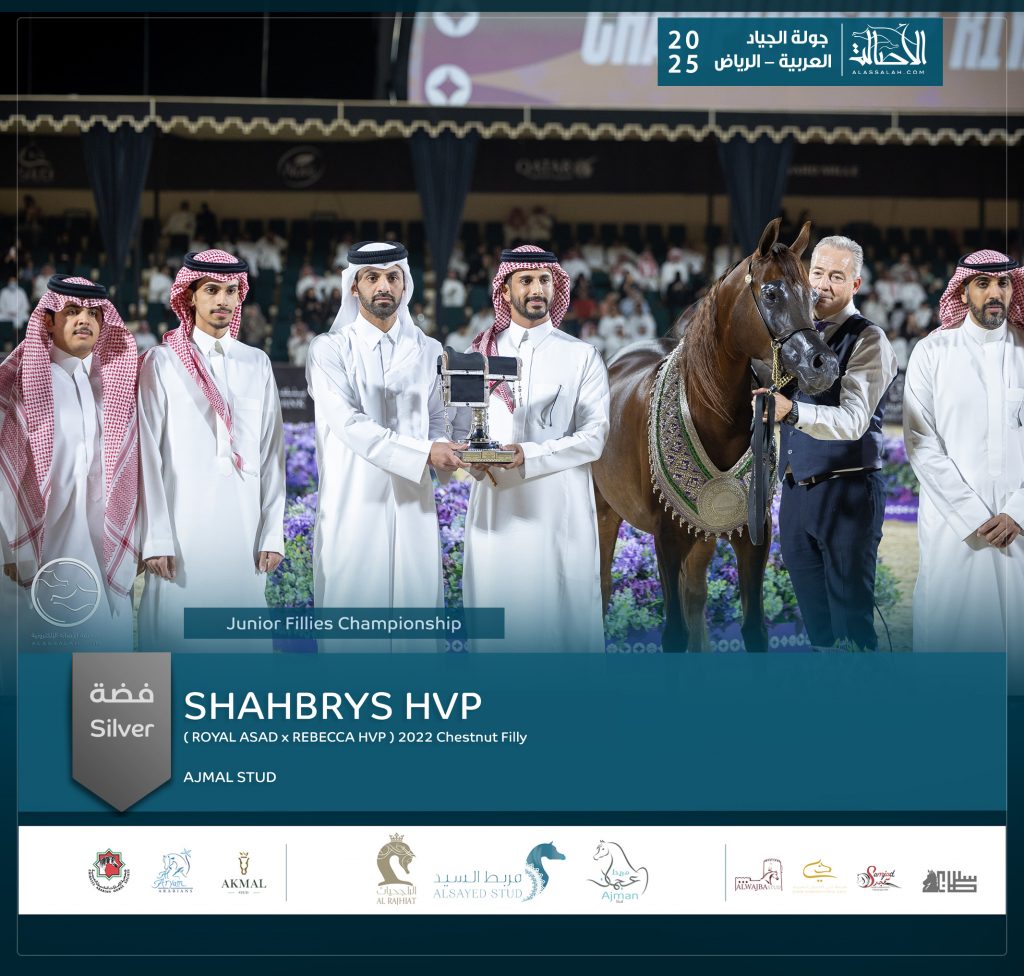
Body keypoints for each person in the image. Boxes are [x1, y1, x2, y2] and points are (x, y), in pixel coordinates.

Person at [305, 241, 465, 653]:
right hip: (353, 504)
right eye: (372, 277)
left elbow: (438, 419)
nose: (383, 286)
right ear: (353, 286)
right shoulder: (330, 349)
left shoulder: (430, 350)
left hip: (414, 503)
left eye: (393, 277)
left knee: (416, 625)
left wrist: (450, 449)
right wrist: (425, 453)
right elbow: (349, 424)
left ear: (404, 285)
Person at [457, 245, 610, 652]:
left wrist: (530, 455)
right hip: (495, 508)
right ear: (505, 290)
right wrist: (471, 462)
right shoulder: (478, 354)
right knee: (498, 623)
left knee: (561, 624)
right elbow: (463, 431)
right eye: (525, 280)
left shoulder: (581, 356)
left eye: (544, 280)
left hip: (559, 513)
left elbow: (595, 437)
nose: (536, 289)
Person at [137, 250, 285, 653]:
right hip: (181, 533)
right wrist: (156, 537)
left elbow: (272, 454)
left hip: (244, 532)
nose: (222, 300)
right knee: (177, 642)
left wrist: (272, 532)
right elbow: (147, 456)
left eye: (231, 291)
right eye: (211, 290)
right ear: (190, 296)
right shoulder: (161, 362)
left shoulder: (256, 363)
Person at [759, 235, 897, 650]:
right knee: (818, 629)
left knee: (851, 628)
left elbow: (854, 420)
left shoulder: (869, 339)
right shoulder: (791, 337)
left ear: (855, 284)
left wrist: (791, 412)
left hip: (848, 492)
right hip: (796, 494)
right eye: (817, 273)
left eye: (837, 276)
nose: (823, 284)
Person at [0, 275, 140, 653]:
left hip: (97, 543)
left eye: (94, 313)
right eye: (73, 311)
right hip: (34, 546)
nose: (85, 320)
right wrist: (6, 548)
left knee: (100, 657)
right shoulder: (17, 384)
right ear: (48, 321)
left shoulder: (109, 385)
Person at [903, 250, 1024, 677]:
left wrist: (1018, 511)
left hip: (1021, 528)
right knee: (953, 642)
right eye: (983, 284)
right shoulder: (932, 352)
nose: (995, 293)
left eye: (1003, 283)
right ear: (962, 292)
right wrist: (975, 516)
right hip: (957, 529)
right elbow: (920, 443)